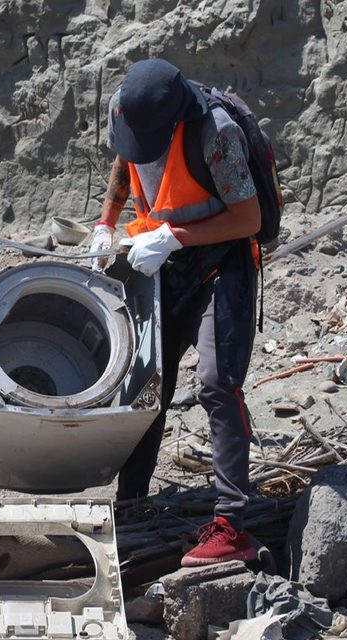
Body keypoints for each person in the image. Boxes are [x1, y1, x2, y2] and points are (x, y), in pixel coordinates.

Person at [92, 58, 261, 567]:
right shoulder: (125, 110)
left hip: (219, 264)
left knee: (216, 381)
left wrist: (175, 236)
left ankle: (232, 525)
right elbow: (126, 161)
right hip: (163, 266)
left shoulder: (216, 132)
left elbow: (248, 218)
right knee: (147, 382)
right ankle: (133, 503)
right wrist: (106, 223)